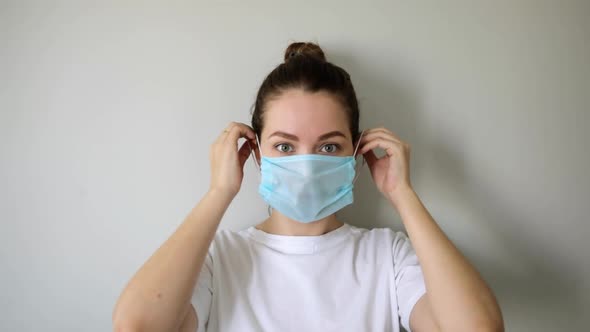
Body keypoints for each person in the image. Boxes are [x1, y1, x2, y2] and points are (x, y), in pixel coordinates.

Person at [113, 42, 504, 332]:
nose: (306, 163)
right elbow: (138, 326)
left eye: (329, 146)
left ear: (356, 152)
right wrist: (219, 193)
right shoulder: (218, 259)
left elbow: (479, 328)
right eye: (285, 146)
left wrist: (403, 195)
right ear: (256, 154)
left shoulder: (388, 257)